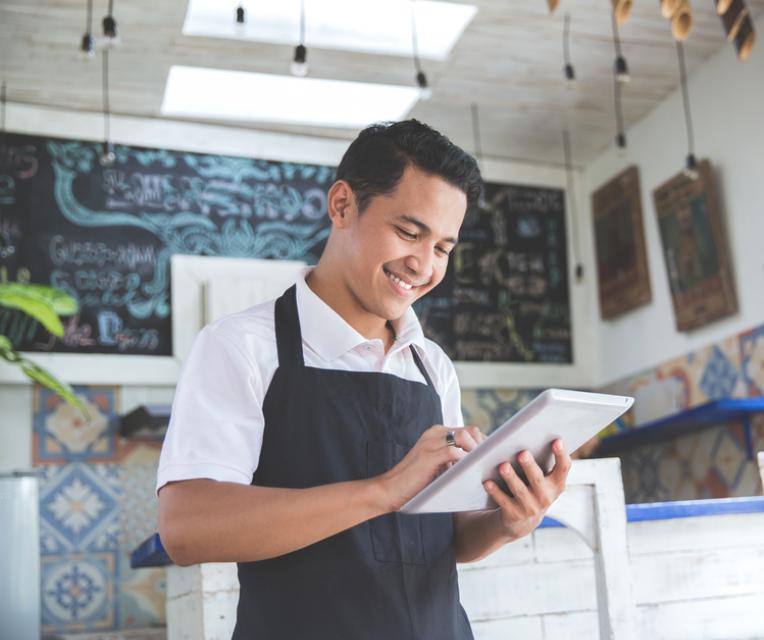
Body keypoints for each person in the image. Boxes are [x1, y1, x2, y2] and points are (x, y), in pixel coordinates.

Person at [155, 119, 573, 639]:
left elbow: (447, 538)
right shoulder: (240, 347)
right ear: (343, 205)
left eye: (443, 247)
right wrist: (382, 491)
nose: (423, 266)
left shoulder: (432, 365)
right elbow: (186, 529)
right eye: (408, 232)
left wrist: (511, 520)